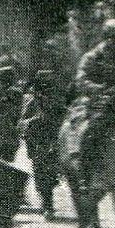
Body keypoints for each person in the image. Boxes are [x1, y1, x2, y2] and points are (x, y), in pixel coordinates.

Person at [71, 17, 115, 173]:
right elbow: (81, 80)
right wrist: (99, 89)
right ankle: (86, 173)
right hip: (99, 103)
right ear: (105, 36)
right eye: (111, 37)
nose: (114, 41)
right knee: (91, 131)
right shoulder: (92, 57)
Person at [17, 70, 69, 218]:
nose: (48, 90)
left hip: (54, 141)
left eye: (50, 86)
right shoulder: (32, 102)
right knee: (41, 173)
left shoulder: (57, 101)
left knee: (51, 174)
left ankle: (48, 202)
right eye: (45, 86)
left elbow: (65, 118)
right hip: (38, 142)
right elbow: (21, 123)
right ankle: (47, 204)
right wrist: (34, 120)